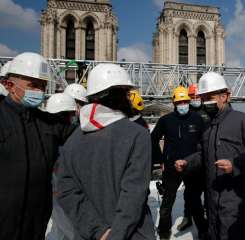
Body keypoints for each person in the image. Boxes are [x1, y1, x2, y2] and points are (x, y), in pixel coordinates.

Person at [56, 63, 155, 240]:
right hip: (132, 234)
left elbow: (66, 193)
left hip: (88, 234)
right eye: (126, 93)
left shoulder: (72, 141)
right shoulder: (137, 134)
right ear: (117, 96)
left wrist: (98, 231)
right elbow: (133, 194)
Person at [175, 72, 245, 240]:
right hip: (212, 200)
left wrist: (236, 164)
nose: (206, 102)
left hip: (236, 201)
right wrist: (187, 162)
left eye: (210, 97)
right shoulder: (208, 126)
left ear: (225, 96)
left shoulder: (242, 121)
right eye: (203, 98)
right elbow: (203, 155)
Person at [0, 52, 73, 240]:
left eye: (43, 85)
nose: (39, 91)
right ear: (9, 85)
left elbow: (82, 136)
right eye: (33, 85)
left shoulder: (48, 123)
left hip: (36, 223)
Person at [152, 86, 208, 240]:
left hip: (192, 167)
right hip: (171, 168)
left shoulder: (197, 120)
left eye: (185, 101)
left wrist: (200, 161)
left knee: (195, 202)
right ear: (174, 103)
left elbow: (205, 142)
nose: (183, 104)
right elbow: (153, 138)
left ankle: (203, 231)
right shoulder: (166, 120)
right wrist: (160, 160)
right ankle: (164, 232)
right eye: (179, 102)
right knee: (167, 202)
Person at [44, 93, 78, 240]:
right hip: (64, 195)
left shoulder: (42, 135)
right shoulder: (73, 136)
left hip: (53, 195)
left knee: (59, 230)